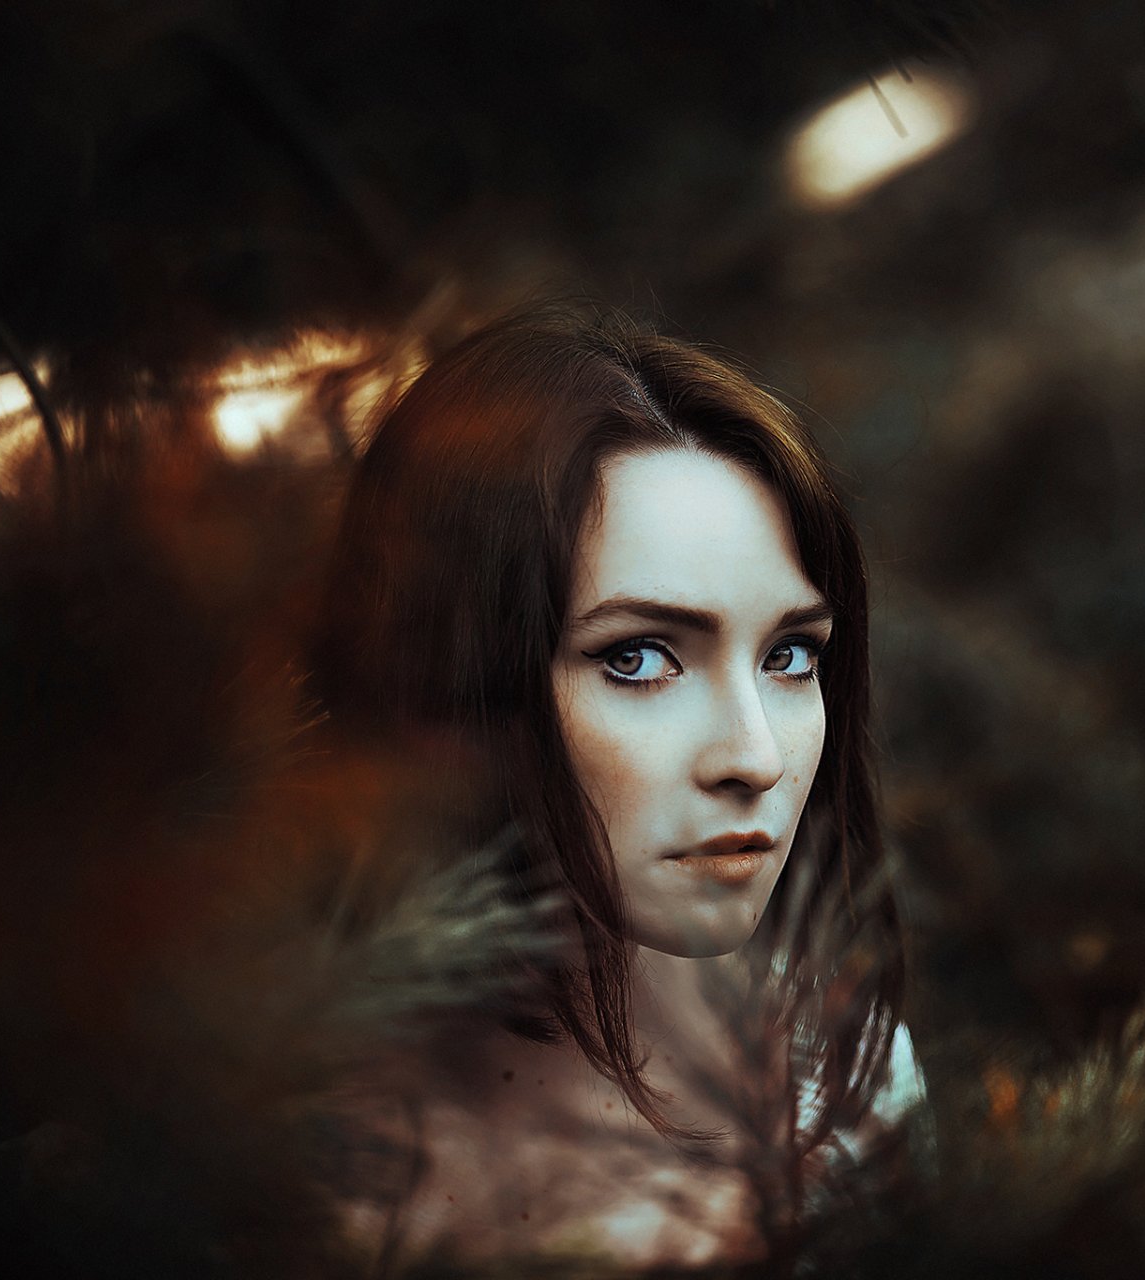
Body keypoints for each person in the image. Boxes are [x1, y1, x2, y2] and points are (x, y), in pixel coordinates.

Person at [318, 306, 918, 1271]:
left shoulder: (839, 1085)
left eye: (791, 655)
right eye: (639, 658)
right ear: (453, 688)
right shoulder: (285, 1177)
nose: (755, 757)